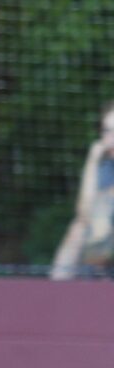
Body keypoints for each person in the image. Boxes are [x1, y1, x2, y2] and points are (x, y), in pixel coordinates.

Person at [50, 101, 114, 279]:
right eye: (107, 131)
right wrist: (92, 161)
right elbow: (83, 211)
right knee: (78, 228)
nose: (111, 138)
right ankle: (54, 293)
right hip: (101, 233)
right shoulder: (102, 163)